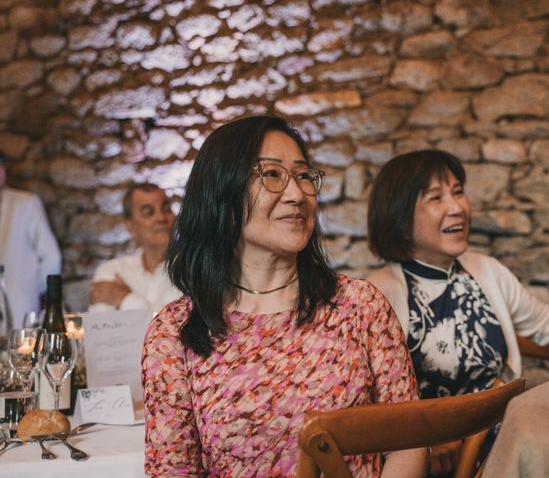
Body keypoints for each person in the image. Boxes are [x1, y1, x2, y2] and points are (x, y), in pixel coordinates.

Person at [141, 116, 426, 477]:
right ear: (221, 193)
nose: (296, 194)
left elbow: (409, 441)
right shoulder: (173, 334)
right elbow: (173, 470)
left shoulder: (360, 306)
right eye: (272, 174)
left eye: (304, 176)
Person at [366, 149, 549, 476]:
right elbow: (373, 400)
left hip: (509, 433)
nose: (457, 207)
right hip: (453, 464)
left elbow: (548, 321)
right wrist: (422, 443)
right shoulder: (376, 294)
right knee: (545, 420)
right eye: (436, 198)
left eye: (458, 192)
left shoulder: (486, 270)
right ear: (398, 215)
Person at [89, 183, 181, 315]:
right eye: (148, 212)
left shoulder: (192, 271)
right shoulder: (112, 271)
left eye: (166, 209)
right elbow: (103, 331)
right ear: (130, 226)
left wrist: (125, 298)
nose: (161, 218)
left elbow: (181, 328)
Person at [0, 151, 61, 323]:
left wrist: (33, 288)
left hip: (19, 300)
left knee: (21, 347)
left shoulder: (27, 203)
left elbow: (51, 255)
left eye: (1, 167)